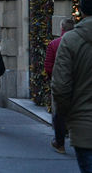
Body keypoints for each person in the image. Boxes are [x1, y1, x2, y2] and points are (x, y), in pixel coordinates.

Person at [52, 0, 92, 172]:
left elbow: (61, 88)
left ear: (82, 12)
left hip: (85, 126)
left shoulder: (70, 40)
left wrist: (66, 118)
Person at [45, 18, 75, 154]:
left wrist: (55, 79)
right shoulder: (80, 43)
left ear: (62, 28)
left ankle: (60, 143)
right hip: (79, 84)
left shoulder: (54, 43)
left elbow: (48, 66)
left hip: (61, 84)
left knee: (59, 114)